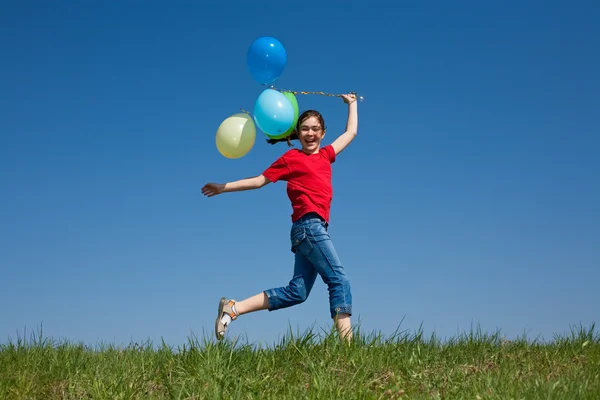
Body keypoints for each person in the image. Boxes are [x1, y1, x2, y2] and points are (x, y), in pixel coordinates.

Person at [201, 93, 358, 342]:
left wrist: (352, 104)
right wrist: (223, 186)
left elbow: (350, 133)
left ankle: (234, 308)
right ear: (297, 132)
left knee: (297, 292)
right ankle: (350, 351)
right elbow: (259, 181)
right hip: (309, 226)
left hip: (313, 229)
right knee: (339, 280)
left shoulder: (326, 155)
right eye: (305, 129)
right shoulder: (291, 158)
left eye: (315, 129)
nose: (310, 133)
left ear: (323, 133)